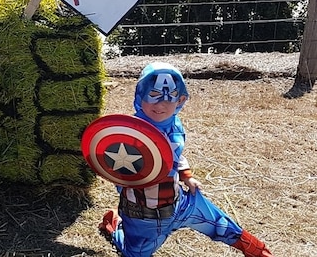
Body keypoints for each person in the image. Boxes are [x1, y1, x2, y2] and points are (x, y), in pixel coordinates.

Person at [98, 62, 274, 257]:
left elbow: (175, 155)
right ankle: (115, 225)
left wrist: (186, 175)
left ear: (180, 99)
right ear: (140, 95)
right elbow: (115, 168)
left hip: (181, 204)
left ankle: (260, 252)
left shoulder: (175, 126)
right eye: (154, 96)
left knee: (223, 226)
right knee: (134, 253)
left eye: (169, 97)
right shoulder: (129, 132)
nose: (161, 105)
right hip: (143, 217)